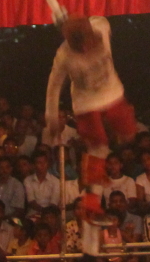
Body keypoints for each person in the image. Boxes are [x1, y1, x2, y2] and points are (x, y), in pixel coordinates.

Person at [45, 15, 138, 218]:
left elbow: (92, 15)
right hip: (85, 103)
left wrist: (67, 18)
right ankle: (92, 199)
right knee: (98, 147)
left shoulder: (102, 27)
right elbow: (53, 88)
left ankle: (110, 144)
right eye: (80, 47)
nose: (85, 50)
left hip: (112, 92)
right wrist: (51, 120)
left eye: (87, 44)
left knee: (129, 135)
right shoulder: (64, 56)